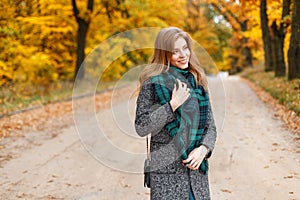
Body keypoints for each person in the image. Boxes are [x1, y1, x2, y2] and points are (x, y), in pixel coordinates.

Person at [135, 27, 217, 200]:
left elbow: (210, 127)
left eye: (185, 48)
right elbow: (141, 127)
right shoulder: (153, 83)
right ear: (163, 54)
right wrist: (172, 105)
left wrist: (203, 149)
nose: (183, 55)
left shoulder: (197, 81)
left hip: (196, 174)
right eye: (175, 51)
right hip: (167, 176)